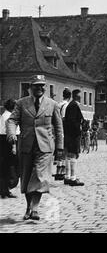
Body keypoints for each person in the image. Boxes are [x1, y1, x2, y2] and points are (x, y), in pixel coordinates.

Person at [6, 75, 64, 220]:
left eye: (42, 85)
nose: (39, 88)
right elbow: (12, 120)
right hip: (26, 145)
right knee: (26, 178)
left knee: (39, 175)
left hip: (45, 146)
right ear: (30, 87)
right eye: (36, 85)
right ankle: (28, 207)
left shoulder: (52, 104)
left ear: (45, 87)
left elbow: (58, 127)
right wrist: (11, 133)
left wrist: (60, 147)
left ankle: (35, 208)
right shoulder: (21, 103)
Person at [63, 89, 85, 186]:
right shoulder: (74, 105)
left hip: (68, 134)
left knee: (68, 155)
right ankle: (73, 178)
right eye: (80, 96)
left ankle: (67, 177)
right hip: (73, 135)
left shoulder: (71, 105)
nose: (81, 98)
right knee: (73, 155)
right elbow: (72, 121)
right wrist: (78, 130)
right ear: (76, 96)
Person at [0, 99, 20, 199]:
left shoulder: (4, 115)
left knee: (5, 166)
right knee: (9, 166)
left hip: (3, 141)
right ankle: (5, 189)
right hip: (8, 142)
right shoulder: (9, 117)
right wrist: (14, 146)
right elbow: (10, 133)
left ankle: (5, 190)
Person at [54, 88, 71, 181]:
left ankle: (58, 170)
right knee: (64, 151)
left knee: (59, 151)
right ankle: (61, 172)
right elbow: (63, 119)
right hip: (63, 129)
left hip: (56, 129)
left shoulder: (58, 104)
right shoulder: (66, 105)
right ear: (70, 96)